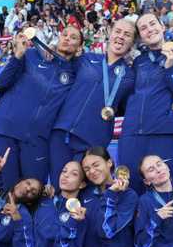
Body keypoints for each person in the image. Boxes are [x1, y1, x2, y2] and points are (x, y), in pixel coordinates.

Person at [0, 26, 83, 187]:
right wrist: (17, 55)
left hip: (37, 139)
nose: (67, 38)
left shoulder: (76, 72)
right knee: (4, 188)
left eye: (73, 37)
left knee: (33, 191)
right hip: (6, 130)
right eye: (64, 34)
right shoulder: (31, 55)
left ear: (80, 48)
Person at [49, 19, 136, 185]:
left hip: (93, 140)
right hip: (63, 133)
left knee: (89, 190)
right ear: (109, 33)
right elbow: (60, 70)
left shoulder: (131, 75)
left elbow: (128, 106)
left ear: (132, 42)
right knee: (59, 184)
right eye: (118, 31)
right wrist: (53, 51)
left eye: (127, 34)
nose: (121, 37)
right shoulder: (86, 59)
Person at [119, 13, 173, 193]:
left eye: (152, 23)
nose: (149, 29)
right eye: (143, 28)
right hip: (131, 134)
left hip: (162, 133)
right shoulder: (138, 62)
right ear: (141, 36)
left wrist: (170, 69)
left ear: (162, 26)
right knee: (129, 191)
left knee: (164, 192)